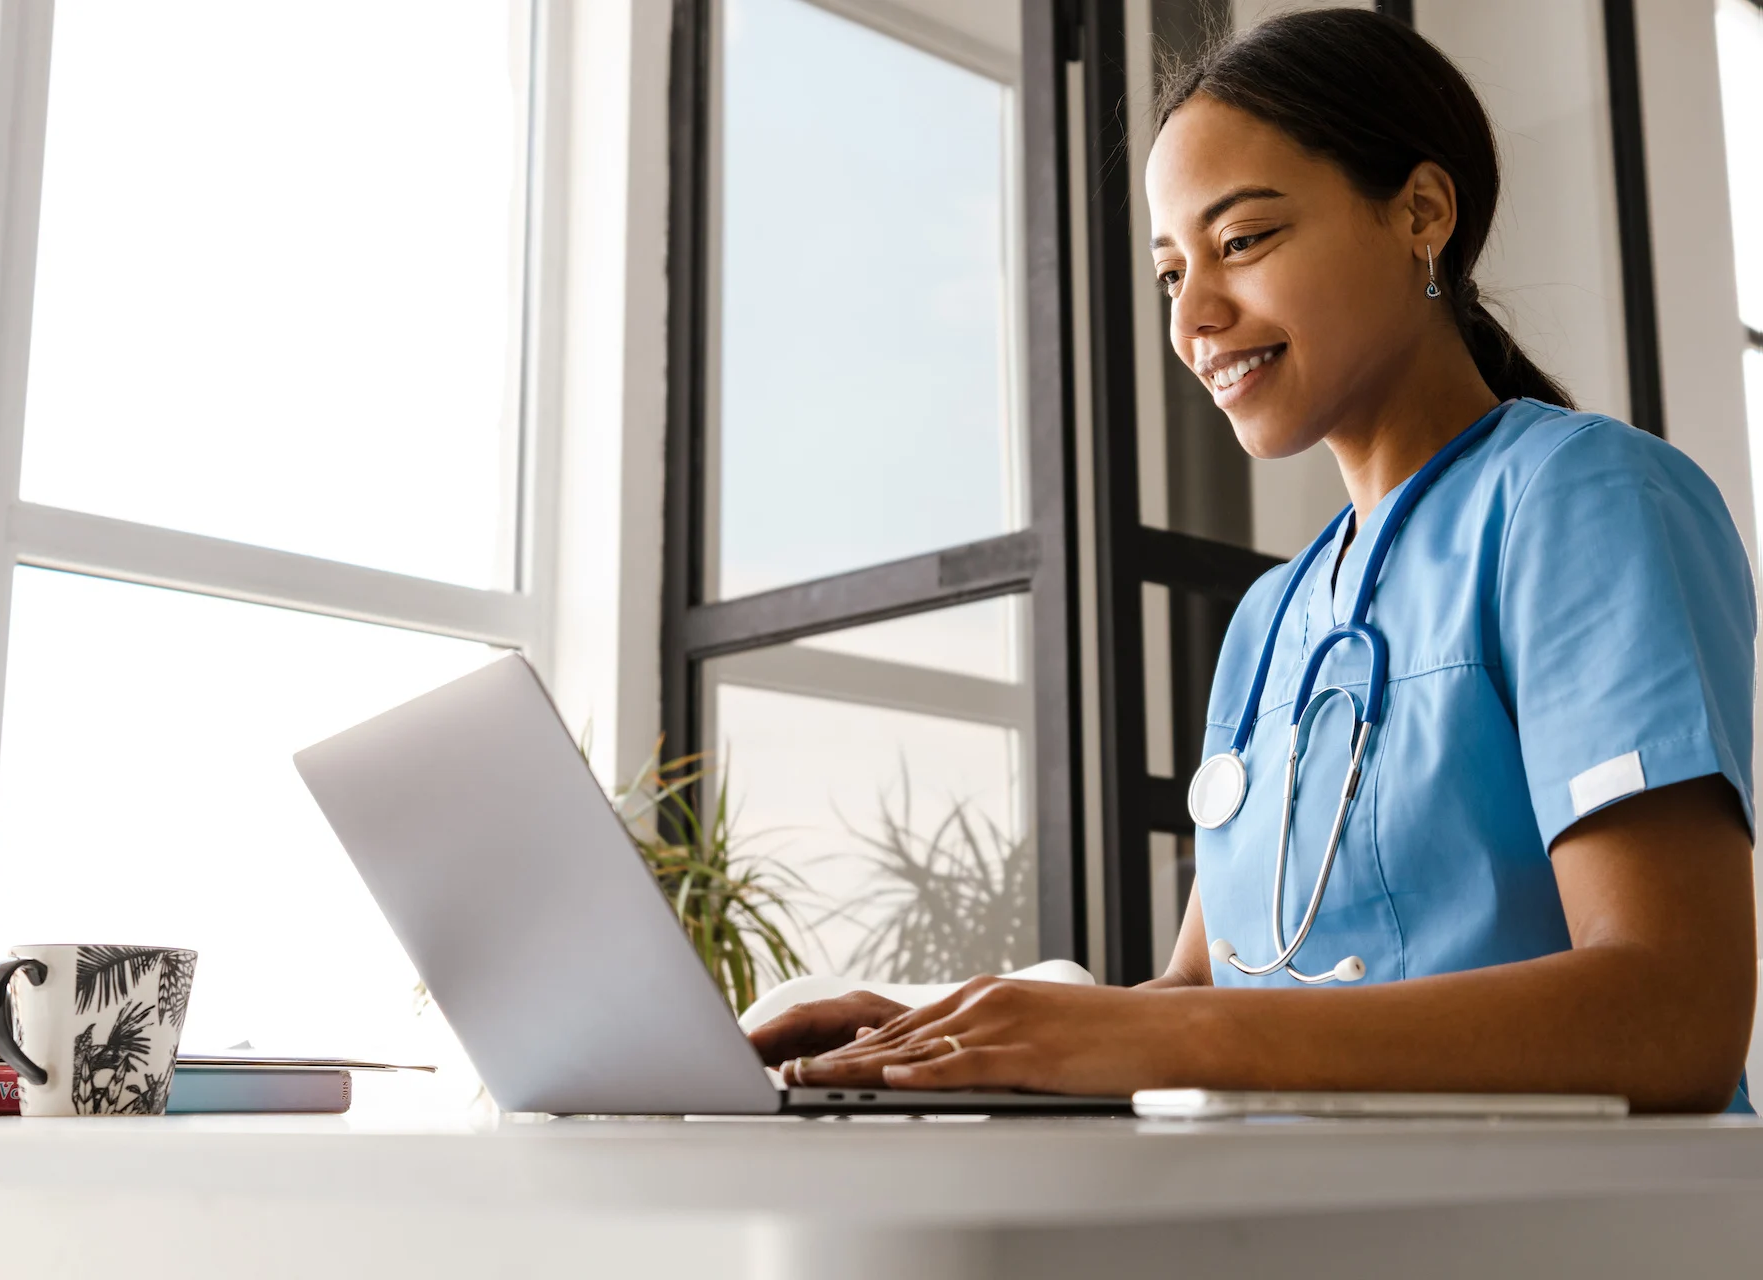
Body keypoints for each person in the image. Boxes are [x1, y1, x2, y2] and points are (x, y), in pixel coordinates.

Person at [748, 8, 1758, 1113]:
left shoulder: (1582, 500)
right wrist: (934, 1030)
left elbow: (1676, 1015)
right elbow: (1200, 986)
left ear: (1422, 213)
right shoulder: (1272, 617)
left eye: (1242, 242)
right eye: (1170, 272)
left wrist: (1179, 1026)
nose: (1197, 318)